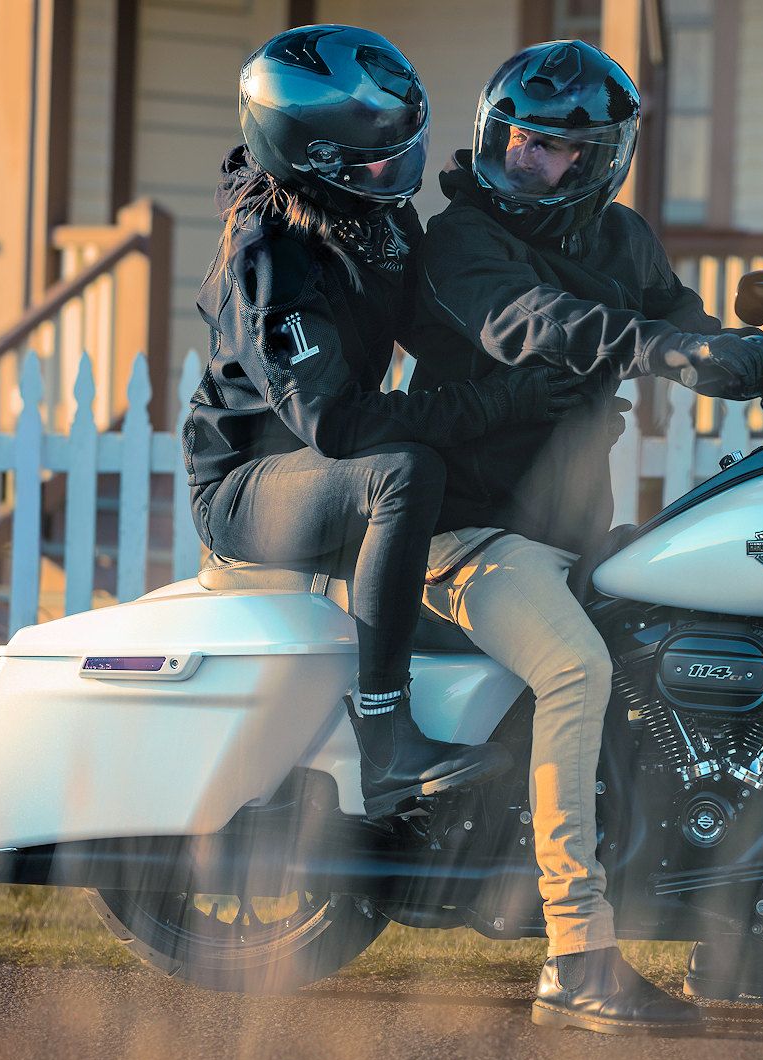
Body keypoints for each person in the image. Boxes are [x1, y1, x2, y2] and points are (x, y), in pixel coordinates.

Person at [406, 39, 763, 1035]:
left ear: (599, 159)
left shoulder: (621, 238)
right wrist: (669, 346)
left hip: (570, 532)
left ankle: (735, 939)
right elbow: (544, 324)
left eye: (553, 150)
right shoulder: (459, 243)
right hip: (466, 536)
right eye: (517, 143)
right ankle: (577, 960)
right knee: (575, 670)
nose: (527, 164)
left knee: (731, 643)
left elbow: (681, 319)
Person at [182, 25, 589, 819]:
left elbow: (439, 334)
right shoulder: (268, 255)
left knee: (445, 462)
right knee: (405, 472)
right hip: (245, 486)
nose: (395, 170)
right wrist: (499, 403)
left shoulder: (378, 220)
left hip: (323, 469)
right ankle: (385, 737)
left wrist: (555, 347)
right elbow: (336, 424)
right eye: (374, 157)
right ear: (312, 156)